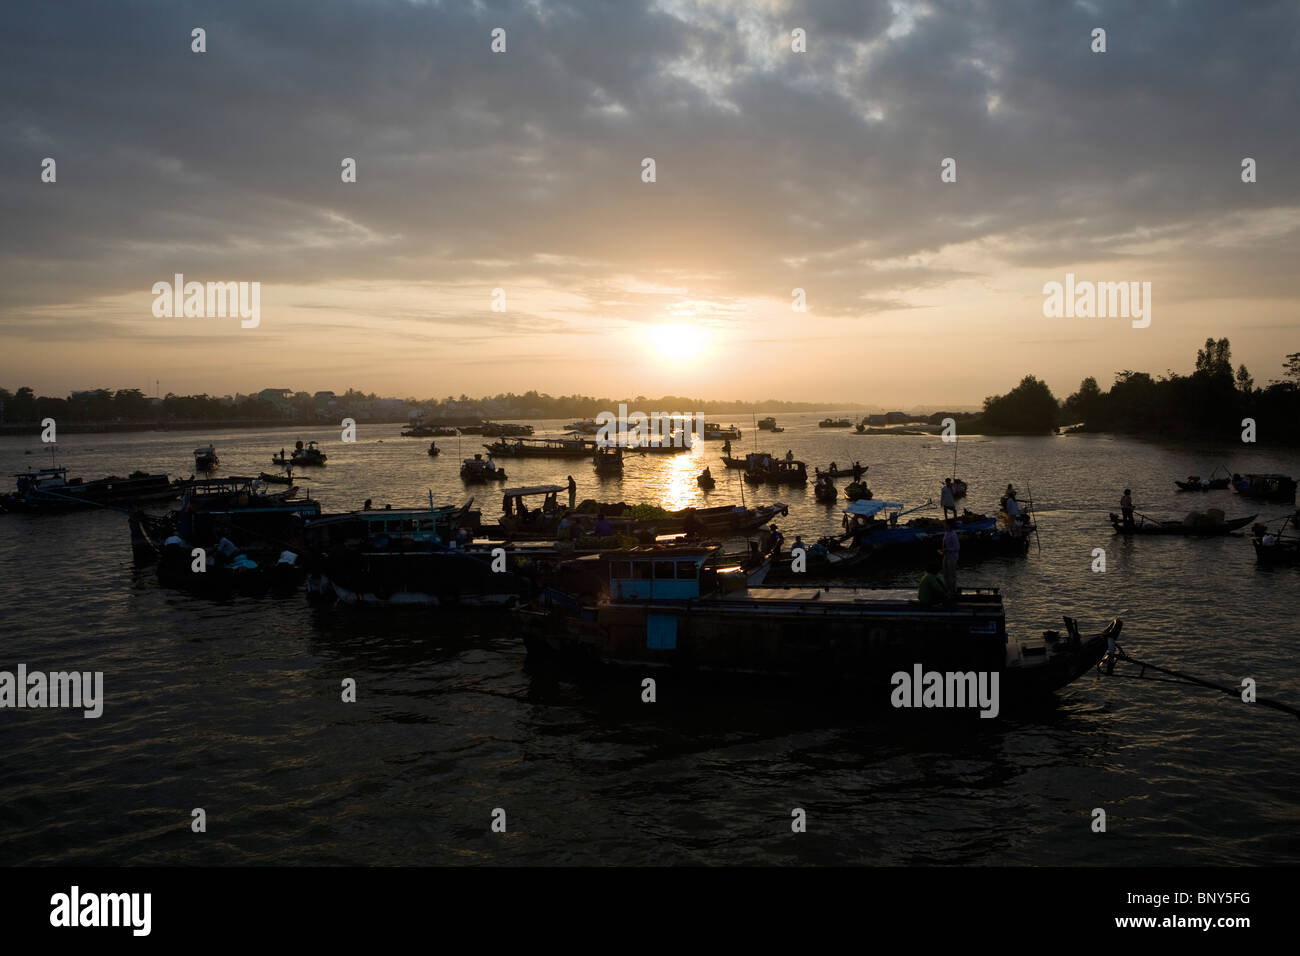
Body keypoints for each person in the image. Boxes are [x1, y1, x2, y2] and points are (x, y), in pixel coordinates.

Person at [941, 519, 960, 595]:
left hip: (952, 557)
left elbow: (957, 548)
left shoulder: (953, 535)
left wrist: (947, 549)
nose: (944, 526)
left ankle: (952, 590)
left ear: (949, 525)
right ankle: (946, 589)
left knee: (951, 574)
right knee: (945, 573)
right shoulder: (946, 533)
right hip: (946, 555)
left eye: (945, 524)